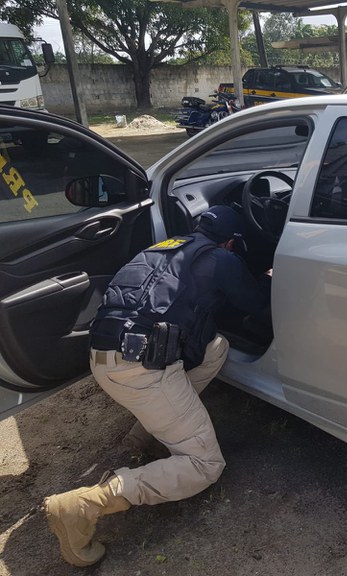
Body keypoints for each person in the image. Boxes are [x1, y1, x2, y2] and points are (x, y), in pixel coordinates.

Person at [44, 205, 271, 567]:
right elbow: (258, 304)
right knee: (204, 465)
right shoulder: (222, 260)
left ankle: (144, 434)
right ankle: (83, 506)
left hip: (104, 358)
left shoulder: (162, 246)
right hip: (142, 373)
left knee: (216, 348)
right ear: (231, 243)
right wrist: (268, 276)